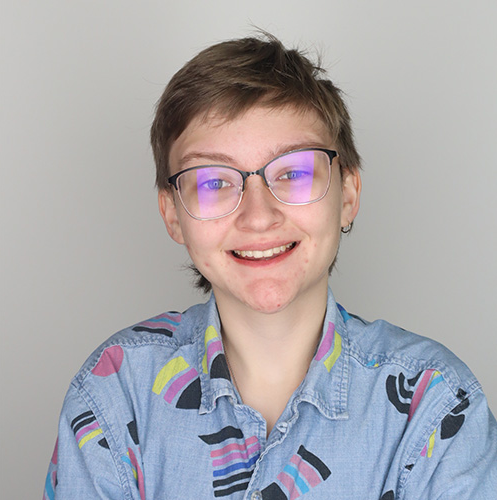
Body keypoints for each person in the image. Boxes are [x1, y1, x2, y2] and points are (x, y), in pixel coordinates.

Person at [44, 33, 497, 500]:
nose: (258, 217)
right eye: (214, 181)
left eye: (294, 172)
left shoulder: (436, 403)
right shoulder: (114, 391)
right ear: (173, 214)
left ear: (347, 195)